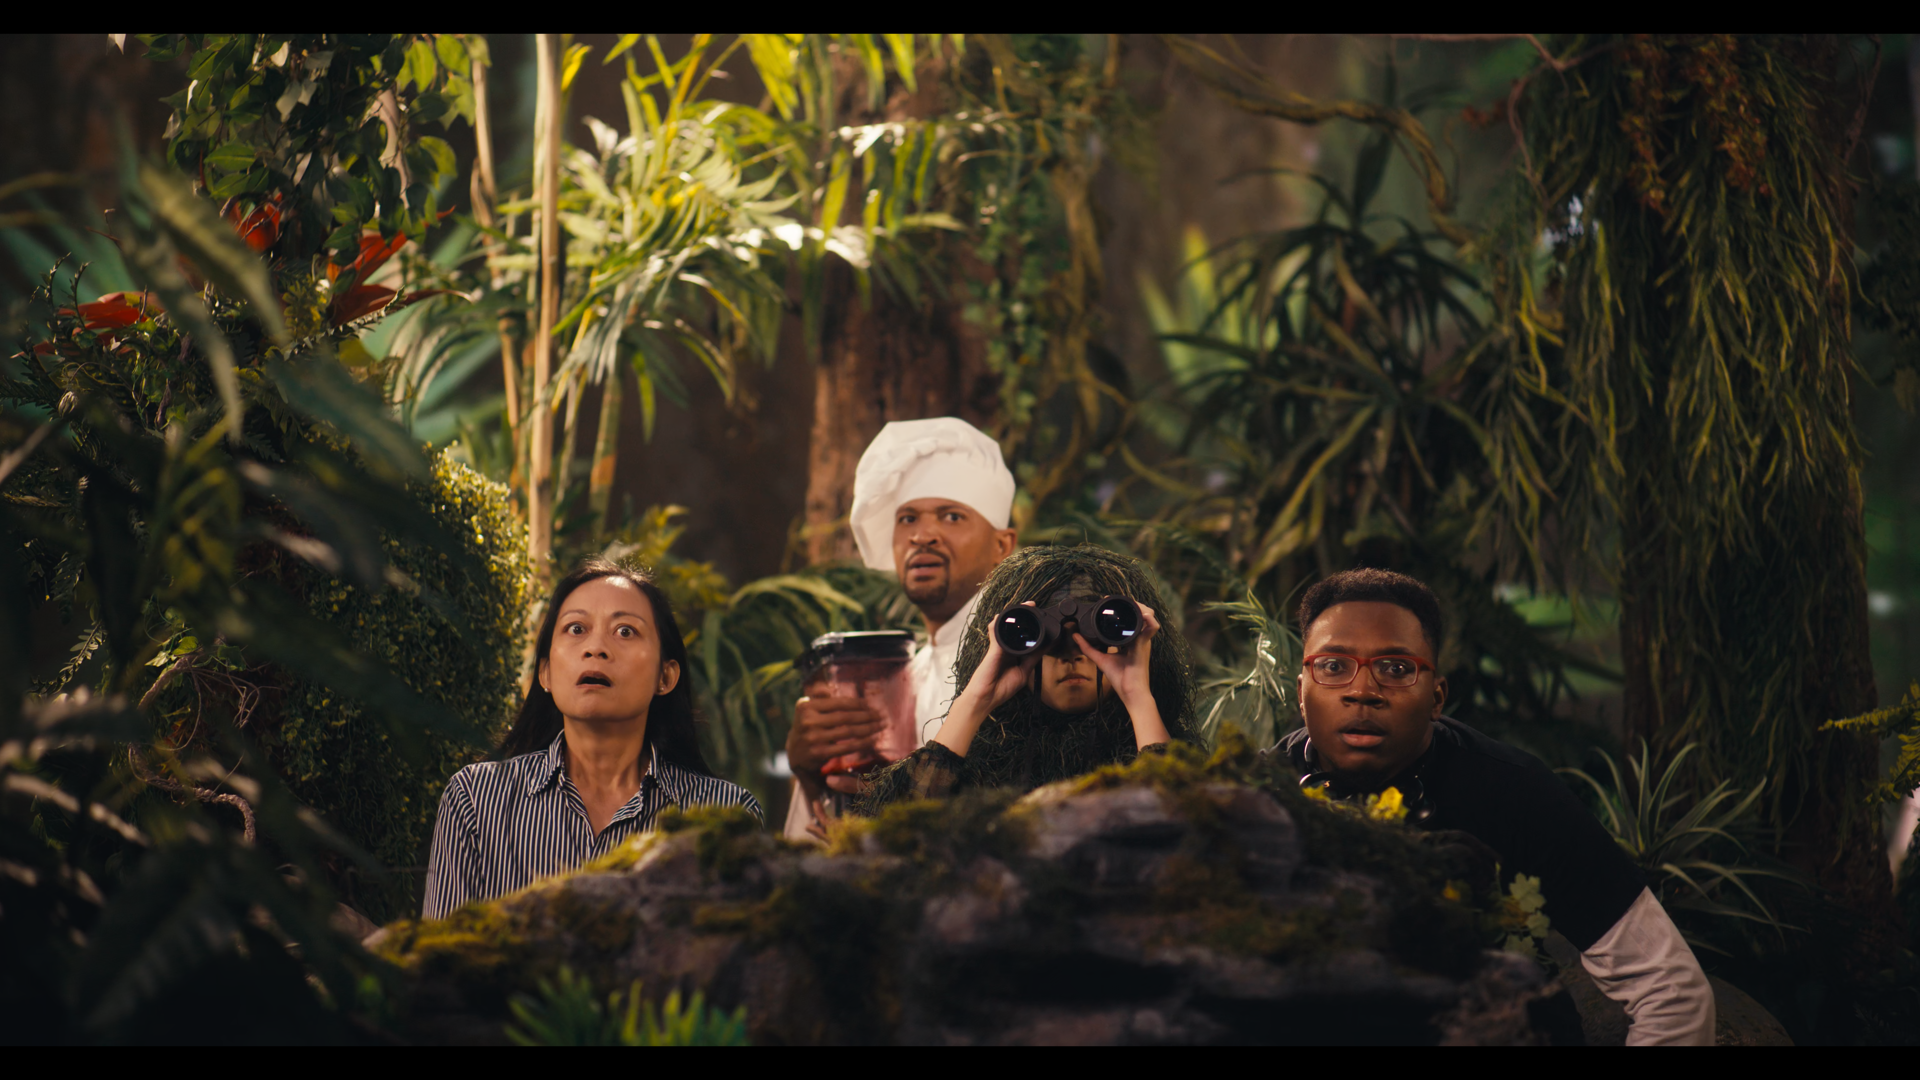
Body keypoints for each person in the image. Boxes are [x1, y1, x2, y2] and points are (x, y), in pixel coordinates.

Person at [1274, 568, 1715, 1045]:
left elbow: (1672, 992)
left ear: (1437, 697)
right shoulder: (1254, 793)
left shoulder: (1514, 792)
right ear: (1302, 692)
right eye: (1334, 666)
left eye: (1396, 669)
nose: (1362, 690)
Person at [423, 559, 762, 918]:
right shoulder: (476, 800)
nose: (596, 648)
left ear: (666, 676)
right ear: (546, 673)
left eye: (625, 631)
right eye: (576, 628)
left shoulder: (726, 818)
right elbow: (438, 967)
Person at [783, 417, 1017, 839]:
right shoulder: (898, 676)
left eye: (951, 516)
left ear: (1003, 545)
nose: (922, 536)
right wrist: (807, 769)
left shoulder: (1022, 660)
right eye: (908, 519)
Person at [860, 545, 1198, 810]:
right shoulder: (977, 770)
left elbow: (1184, 821)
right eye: (1047, 639)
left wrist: (1138, 695)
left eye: (1094, 635)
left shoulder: (1160, 748)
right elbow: (897, 830)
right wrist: (976, 700)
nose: (1071, 654)